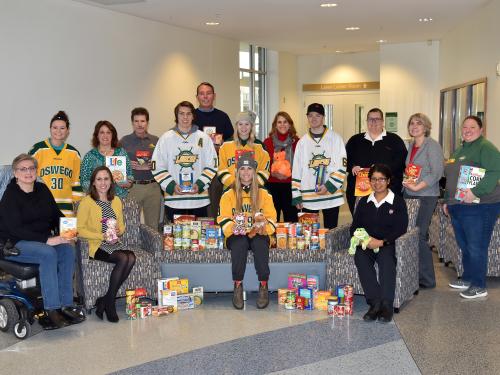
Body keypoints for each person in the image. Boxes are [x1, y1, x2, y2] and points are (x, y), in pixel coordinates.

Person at [0, 154, 85, 329]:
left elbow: (56, 215)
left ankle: (66, 304)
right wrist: (47, 240)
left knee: (67, 250)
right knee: (48, 253)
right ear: (15, 173)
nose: (28, 172)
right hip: (16, 243)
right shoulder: (10, 195)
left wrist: (69, 232)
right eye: (23, 169)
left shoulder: (42, 189)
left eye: (31, 168)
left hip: (43, 240)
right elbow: (15, 229)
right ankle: (51, 309)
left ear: (36, 171)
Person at [443, 115, 500, 299]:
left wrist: (475, 192)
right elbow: (451, 179)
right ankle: (467, 279)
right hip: (458, 205)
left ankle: (479, 285)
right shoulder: (459, 150)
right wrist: (447, 201)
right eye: (465, 127)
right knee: (465, 245)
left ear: (481, 129)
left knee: (476, 246)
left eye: (472, 127)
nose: (467, 130)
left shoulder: (486, 148)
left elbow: (494, 173)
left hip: (481, 206)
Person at [217, 153, 277, 310]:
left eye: (249, 168)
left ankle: (263, 285)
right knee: (239, 243)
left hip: (258, 234)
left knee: (260, 243)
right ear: (237, 172)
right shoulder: (228, 194)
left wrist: (263, 227)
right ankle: (237, 285)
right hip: (237, 235)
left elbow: (272, 219)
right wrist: (235, 228)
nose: (245, 172)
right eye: (242, 168)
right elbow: (222, 218)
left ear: (254, 171)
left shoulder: (264, 194)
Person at [351, 164, 408, 323]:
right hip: (367, 242)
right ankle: (375, 303)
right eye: (374, 179)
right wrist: (365, 240)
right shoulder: (364, 201)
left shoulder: (397, 201)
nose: (378, 183)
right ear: (369, 181)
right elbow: (355, 227)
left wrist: (382, 242)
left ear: (388, 181)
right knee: (360, 257)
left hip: (386, 243)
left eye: (382, 179)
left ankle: (387, 305)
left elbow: (401, 227)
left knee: (386, 260)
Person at [77, 166, 131, 323]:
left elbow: (121, 225)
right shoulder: (87, 202)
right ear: (93, 183)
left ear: (111, 181)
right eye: (99, 179)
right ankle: (110, 304)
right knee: (123, 258)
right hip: (96, 245)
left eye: (106, 179)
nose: (103, 182)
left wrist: (119, 231)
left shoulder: (116, 200)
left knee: (131, 257)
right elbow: (79, 230)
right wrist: (101, 236)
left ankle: (105, 300)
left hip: (113, 242)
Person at [152, 101, 217, 222]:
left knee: (198, 238)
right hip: (174, 200)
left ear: (193, 116)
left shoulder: (204, 138)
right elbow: (157, 166)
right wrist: (171, 185)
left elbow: (212, 165)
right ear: (176, 116)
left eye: (188, 114)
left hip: (198, 199)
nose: (185, 117)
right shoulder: (166, 138)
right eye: (181, 114)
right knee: (176, 239)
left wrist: (200, 184)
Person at [402, 113, 444, 288]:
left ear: (426, 127)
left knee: (419, 235)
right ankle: (414, 274)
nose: (414, 126)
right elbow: (412, 170)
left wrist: (417, 187)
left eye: (418, 123)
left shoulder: (432, 146)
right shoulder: (411, 145)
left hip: (426, 195)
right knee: (409, 235)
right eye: (411, 123)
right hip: (409, 194)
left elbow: (437, 172)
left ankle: (427, 279)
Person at [291, 103, 346, 229]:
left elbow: (342, 166)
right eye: (310, 115)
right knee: (308, 235)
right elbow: (296, 171)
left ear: (323, 118)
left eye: (317, 115)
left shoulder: (335, 139)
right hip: (308, 197)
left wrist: (328, 186)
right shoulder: (302, 142)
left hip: (331, 195)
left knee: (331, 234)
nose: (313, 118)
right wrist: (296, 195)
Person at [345, 108, 407, 215]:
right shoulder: (355, 140)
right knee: (361, 224)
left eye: (377, 119)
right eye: (370, 119)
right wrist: (352, 166)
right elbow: (345, 160)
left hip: (388, 193)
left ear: (383, 122)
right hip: (359, 193)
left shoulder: (395, 140)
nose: (373, 122)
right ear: (367, 122)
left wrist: (383, 170)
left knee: (385, 223)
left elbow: (402, 163)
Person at [29, 110, 83, 216]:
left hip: (66, 208)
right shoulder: (37, 150)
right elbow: (27, 177)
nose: (58, 131)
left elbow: (76, 182)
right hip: (41, 204)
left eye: (62, 128)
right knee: (43, 233)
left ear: (67, 131)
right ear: (50, 129)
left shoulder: (74, 153)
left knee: (65, 233)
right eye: (55, 127)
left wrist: (78, 205)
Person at [194, 82, 234, 219]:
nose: (205, 97)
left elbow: (231, 141)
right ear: (197, 97)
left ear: (214, 96)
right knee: (197, 202)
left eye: (208, 93)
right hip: (196, 166)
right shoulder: (190, 116)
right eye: (202, 93)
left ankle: (215, 231)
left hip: (217, 167)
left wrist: (222, 145)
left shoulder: (223, 117)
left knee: (215, 202)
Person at [120, 107, 163, 230]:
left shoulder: (156, 140)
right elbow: (116, 164)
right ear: (132, 123)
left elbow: (163, 162)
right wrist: (127, 164)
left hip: (153, 187)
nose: (140, 124)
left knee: (152, 226)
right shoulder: (124, 141)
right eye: (136, 121)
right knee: (130, 225)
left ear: (147, 123)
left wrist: (152, 165)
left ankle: (152, 250)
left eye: (142, 121)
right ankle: (132, 250)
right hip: (133, 187)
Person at [80, 120, 133, 199]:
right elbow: (83, 182)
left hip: (120, 199)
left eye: (108, 132)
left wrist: (126, 183)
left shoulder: (121, 153)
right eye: (102, 132)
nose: (105, 136)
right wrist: (99, 185)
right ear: (97, 135)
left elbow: (130, 176)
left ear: (113, 135)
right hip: (97, 201)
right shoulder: (90, 156)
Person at [218, 110, 270, 189]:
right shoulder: (225, 145)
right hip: (231, 190)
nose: (243, 127)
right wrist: (235, 184)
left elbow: (265, 170)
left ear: (251, 126)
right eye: (240, 124)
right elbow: (221, 169)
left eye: (247, 124)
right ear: (236, 126)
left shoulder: (260, 146)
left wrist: (251, 185)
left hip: (254, 190)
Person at [263, 111, 299, 222]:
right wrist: (272, 172)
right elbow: (264, 164)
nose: (282, 125)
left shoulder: (297, 142)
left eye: (285, 122)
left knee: (292, 220)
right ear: (275, 125)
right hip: (272, 186)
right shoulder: (267, 142)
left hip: (291, 186)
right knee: (272, 220)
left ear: (290, 124)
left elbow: (300, 165)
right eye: (279, 122)